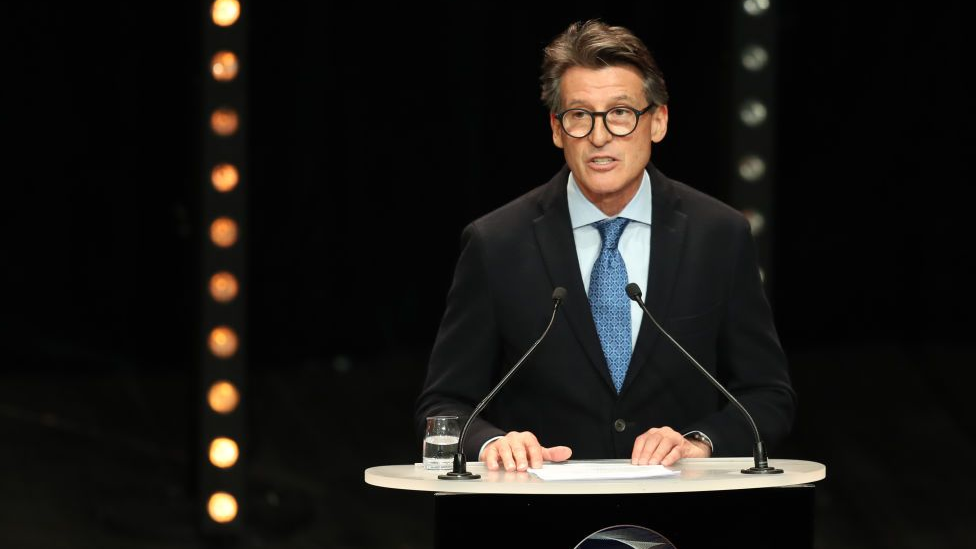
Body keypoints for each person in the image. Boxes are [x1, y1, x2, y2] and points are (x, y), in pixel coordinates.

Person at [415, 19, 795, 473]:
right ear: (557, 129)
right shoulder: (497, 242)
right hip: (540, 505)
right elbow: (443, 405)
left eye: (620, 113)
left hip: (681, 503)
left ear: (658, 121)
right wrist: (492, 443)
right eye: (579, 115)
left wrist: (701, 443)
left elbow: (768, 395)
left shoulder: (718, 235)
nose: (599, 137)